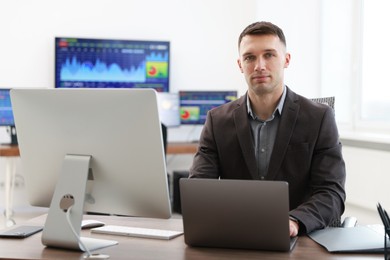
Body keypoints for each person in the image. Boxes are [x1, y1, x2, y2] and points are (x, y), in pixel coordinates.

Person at [189, 21, 346, 237]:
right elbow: (199, 190)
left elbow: (331, 193)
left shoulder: (319, 118)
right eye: (249, 57)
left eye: (269, 55)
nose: (259, 65)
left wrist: (294, 221)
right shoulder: (217, 121)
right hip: (236, 235)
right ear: (240, 64)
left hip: (300, 239)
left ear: (286, 60)